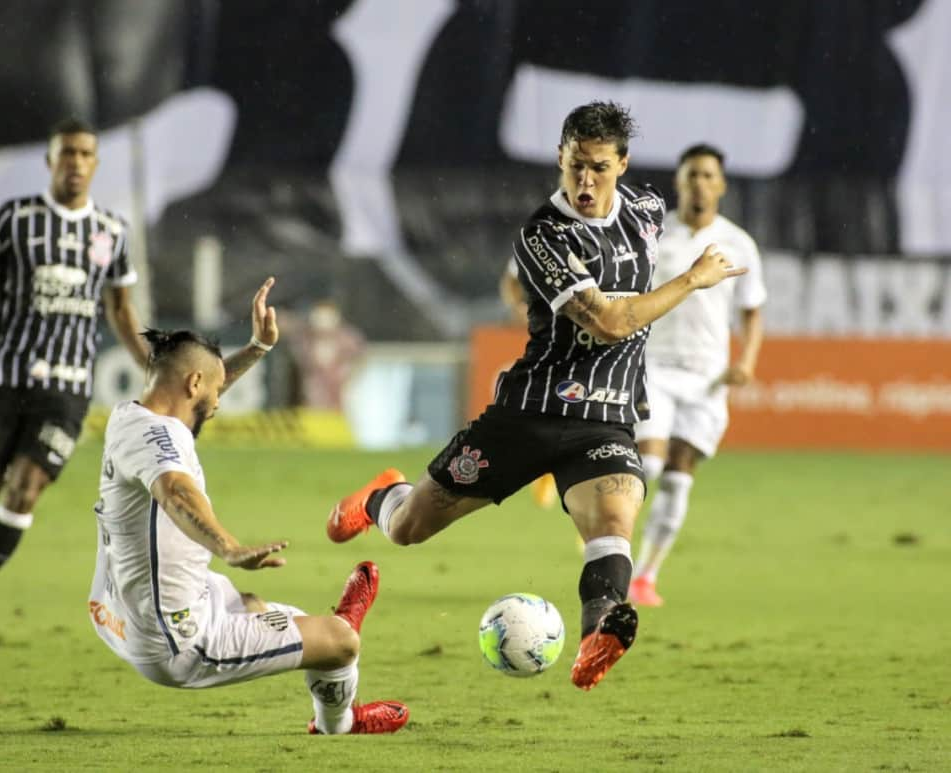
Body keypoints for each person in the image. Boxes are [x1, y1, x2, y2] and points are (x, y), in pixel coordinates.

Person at [325, 101, 746, 690]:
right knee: (407, 529)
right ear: (559, 157)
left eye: (599, 167)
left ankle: (600, 631)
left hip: (606, 421)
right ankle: (380, 496)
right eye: (575, 165)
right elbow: (610, 323)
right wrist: (691, 280)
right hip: (529, 415)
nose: (585, 181)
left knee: (614, 520)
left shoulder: (649, 212)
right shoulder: (543, 235)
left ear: (622, 164)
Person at [89, 283, 408, 735]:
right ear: (193, 384)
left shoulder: (134, 415)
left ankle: (313, 633)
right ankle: (338, 721)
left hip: (124, 607)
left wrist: (258, 347)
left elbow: (204, 391)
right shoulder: (160, 440)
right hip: (178, 641)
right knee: (340, 643)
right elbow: (175, 491)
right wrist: (229, 547)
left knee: (261, 606)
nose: (218, 404)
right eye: (214, 391)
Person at [0, 118, 151, 635]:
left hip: (66, 391)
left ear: (95, 163)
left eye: (85, 154)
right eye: (66, 153)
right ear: (50, 162)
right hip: (4, 378)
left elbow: (121, 308)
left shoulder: (111, 232)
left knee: (25, 489)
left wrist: (146, 361)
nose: (76, 163)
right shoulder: (16, 219)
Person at [629, 144, 766, 607]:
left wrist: (745, 361)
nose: (700, 184)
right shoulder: (653, 235)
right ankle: (610, 547)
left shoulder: (739, 243)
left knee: (678, 477)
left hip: (707, 378)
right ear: (679, 181)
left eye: (709, 176)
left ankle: (645, 576)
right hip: (654, 368)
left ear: (722, 185)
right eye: (692, 175)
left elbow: (751, 311)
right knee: (647, 464)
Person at [498, 261, 558, 509]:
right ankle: (545, 465)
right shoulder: (542, 234)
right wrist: (517, 307)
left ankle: (549, 464)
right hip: (549, 332)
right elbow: (511, 278)